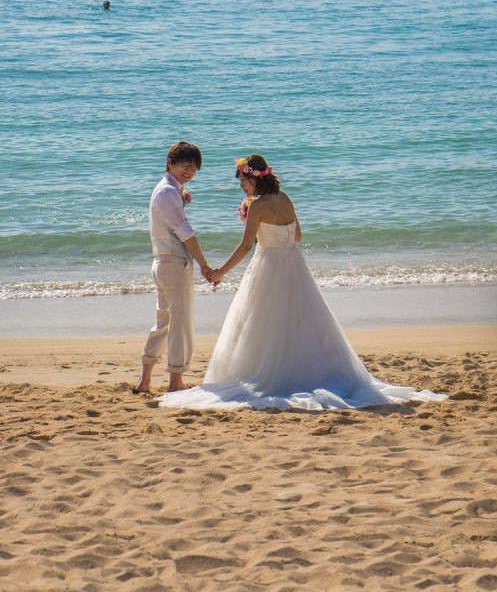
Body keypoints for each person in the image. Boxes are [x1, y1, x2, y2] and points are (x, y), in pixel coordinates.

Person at [158, 154, 447, 411]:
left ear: (251, 179)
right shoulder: (285, 199)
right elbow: (297, 236)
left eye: (243, 182)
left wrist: (219, 272)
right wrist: (274, 234)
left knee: (264, 322)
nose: (242, 188)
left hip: (268, 266)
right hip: (295, 265)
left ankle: (275, 372)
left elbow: (246, 247)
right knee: (303, 319)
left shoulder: (257, 206)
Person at [133, 141, 211, 394]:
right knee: (180, 323)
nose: (190, 170)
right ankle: (175, 382)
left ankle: (145, 381)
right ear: (170, 163)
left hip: (163, 262)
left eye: (194, 167)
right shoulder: (167, 192)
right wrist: (204, 264)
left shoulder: (168, 189)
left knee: (164, 323)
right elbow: (184, 231)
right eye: (185, 164)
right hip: (173, 264)